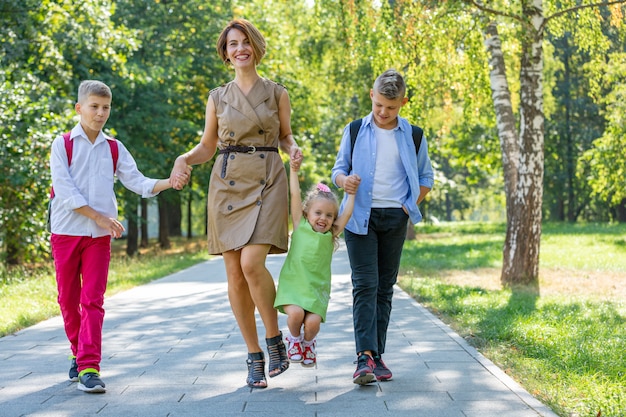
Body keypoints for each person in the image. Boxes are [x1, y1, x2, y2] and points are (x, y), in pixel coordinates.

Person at [169, 19, 302, 389]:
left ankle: (275, 340)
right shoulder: (217, 97)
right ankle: (255, 355)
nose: (240, 48)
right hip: (227, 183)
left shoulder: (277, 92)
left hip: (268, 178)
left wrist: (294, 150)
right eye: (232, 44)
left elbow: (286, 137)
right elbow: (207, 147)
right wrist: (183, 159)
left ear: (255, 47)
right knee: (234, 274)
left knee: (251, 262)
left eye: (245, 42)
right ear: (225, 54)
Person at [49, 80, 190, 393]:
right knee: (68, 301)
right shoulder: (62, 144)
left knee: (93, 300)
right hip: (66, 233)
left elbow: (138, 182)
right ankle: (77, 351)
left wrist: (170, 181)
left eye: (106, 108)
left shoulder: (114, 148)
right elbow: (65, 191)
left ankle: (88, 366)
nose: (100, 113)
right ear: (79, 108)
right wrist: (100, 216)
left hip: (99, 237)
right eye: (94, 107)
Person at [331, 69, 434, 385]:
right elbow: (338, 170)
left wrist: (407, 206)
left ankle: (377, 355)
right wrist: (344, 181)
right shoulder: (354, 130)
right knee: (365, 283)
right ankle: (364, 356)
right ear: (372, 96)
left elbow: (426, 179)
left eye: (392, 108)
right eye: (379, 106)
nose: (384, 113)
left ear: (403, 102)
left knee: (384, 287)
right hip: (359, 217)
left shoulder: (414, 135)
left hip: (394, 218)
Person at [274, 163, 360, 368]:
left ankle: (308, 343)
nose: (323, 218)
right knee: (295, 315)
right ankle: (294, 340)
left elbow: (346, 215)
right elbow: (294, 195)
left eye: (329, 215)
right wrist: (293, 170)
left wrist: (352, 194)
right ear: (307, 213)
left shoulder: (330, 234)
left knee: (312, 324)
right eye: (318, 213)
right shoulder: (300, 225)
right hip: (294, 287)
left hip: (315, 290)